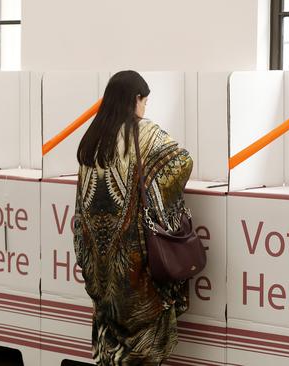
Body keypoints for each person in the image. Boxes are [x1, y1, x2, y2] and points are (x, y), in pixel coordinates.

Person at [73, 70, 192, 365]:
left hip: (99, 259)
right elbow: (182, 162)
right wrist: (157, 200)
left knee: (109, 323)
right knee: (143, 332)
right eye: (145, 101)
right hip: (135, 258)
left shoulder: (94, 135)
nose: (145, 107)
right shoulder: (145, 132)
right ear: (136, 99)